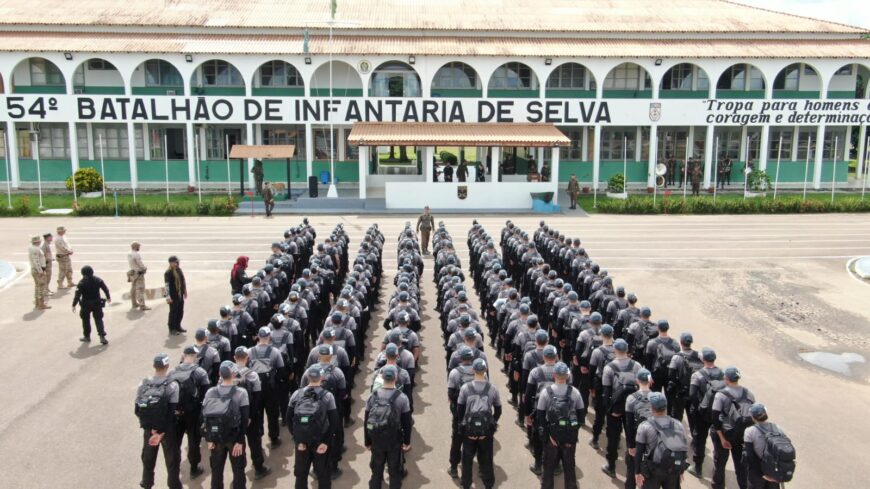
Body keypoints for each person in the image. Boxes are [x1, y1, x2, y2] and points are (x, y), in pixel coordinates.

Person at [287, 366, 340, 489]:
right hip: (320, 440)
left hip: (302, 441)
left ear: (307, 378)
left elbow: (288, 418)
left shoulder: (296, 394)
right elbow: (334, 421)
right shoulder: (328, 396)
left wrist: (297, 438)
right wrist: (326, 442)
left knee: (301, 475)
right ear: (321, 378)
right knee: (323, 475)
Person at [135, 353, 182, 489]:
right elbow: (172, 411)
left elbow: (137, 409)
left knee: (148, 458)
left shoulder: (144, 383)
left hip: (149, 429)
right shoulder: (172, 385)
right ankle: (174, 486)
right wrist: (161, 431)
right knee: (172, 460)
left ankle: (147, 483)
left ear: (154, 366)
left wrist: (151, 428)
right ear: (167, 366)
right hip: (167, 429)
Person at [535, 362, 584, 489]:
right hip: (569, 439)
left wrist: (547, 436)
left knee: (548, 468)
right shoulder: (575, 393)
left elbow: (540, 417)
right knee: (569, 469)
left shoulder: (546, 393)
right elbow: (581, 418)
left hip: (552, 438)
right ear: (567, 375)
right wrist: (571, 433)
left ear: (554, 375)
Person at [202, 361, 250, 489]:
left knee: (216, 472)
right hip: (234, 438)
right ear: (234, 374)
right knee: (238, 472)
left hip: (216, 438)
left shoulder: (210, 392)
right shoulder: (241, 392)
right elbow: (245, 419)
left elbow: (204, 416)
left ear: (219, 374)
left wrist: (208, 438)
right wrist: (240, 441)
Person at [364, 365, 412, 489]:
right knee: (394, 472)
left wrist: (367, 441)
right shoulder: (402, 398)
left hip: (376, 438)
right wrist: (406, 441)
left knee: (376, 471)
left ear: (382, 377)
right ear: (396, 378)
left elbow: (367, 420)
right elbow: (407, 422)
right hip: (394, 440)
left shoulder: (372, 396)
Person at [457, 359, 501, 489]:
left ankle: (466, 483)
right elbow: (498, 410)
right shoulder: (492, 388)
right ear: (485, 370)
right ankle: (488, 484)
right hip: (485, 431)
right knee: (487, 458)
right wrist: (491, 425)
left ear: (473, 371)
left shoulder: (465, 388)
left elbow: (460, 410)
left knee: (467, 459)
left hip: (469, 431)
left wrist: (464, 426)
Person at [169, 346, 210, 479]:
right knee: (193, 440)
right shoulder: (200, 372)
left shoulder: (172, 373)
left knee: (176, 442)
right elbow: (206, 395)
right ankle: (194, 467)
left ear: (183, 355)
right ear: (194, 356)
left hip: (176, 413)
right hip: (193, 412)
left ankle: (174, 469)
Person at [711, 367, 755, 489]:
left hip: (724, 434)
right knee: (741, 467)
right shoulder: (749, 393)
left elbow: (715, 418)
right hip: (741, 436)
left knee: (719, 465)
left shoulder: (721, 395)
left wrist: (721, 438)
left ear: (726, 378)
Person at [634, 392, 690, 489]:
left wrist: (637, 472)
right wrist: (680, 470)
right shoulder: (678, 424)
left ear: (651, 407)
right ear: (666, 407)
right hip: (673, 469)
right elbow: (683, 448)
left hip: (652, 471)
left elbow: (639, 452)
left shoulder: (644, 426)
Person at [234, 347, 272, 480]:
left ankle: (238, 473)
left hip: (234, 416)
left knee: (238, 444)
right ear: (247, 358)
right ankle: (259, 468)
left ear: (234, 358)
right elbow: (257, 397)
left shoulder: (227, 375)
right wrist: (250, 416)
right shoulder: (252, 375)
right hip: (250, 415)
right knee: (255, 442)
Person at [743, 404, 795, 488]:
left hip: (757, 474)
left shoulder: (749, 431)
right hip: (775, 471)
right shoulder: (778, 428)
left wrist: (762, 475)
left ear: (753, 417)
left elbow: (751, 456)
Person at [624, 369, 655, 489]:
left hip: (637, 440)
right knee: (648, 475)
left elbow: (629, 424)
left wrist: (631, 446)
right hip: (652, 442)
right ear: (650, 381)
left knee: (631, 473)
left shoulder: (631, 399)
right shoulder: (658, 398)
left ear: (637, 381)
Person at [72, 265, 111, 344]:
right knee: (98, 319)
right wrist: (108, 297)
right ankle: (102, 336)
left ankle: (87, 336)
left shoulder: (81, 283)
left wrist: (74, 305)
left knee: (85, 320)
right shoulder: (98, 280)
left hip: (86, 304)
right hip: (97, 303)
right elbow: (105, 288)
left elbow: (77, 295)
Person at [164, 256, 188, 335]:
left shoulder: (179, 270)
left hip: (180, 295)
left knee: (180, 311)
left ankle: (178, 326)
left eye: (177, 262)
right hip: (173, 296)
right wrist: (168, 297)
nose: (177, 263)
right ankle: (172, 328)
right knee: (173, 312)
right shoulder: (168, 273)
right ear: (171, 263)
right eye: (175, 262)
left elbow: (182, 281)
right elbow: (166, 285)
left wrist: (184, 291)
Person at [29, 235, 50, 310]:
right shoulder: (35, 249)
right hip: (38, 270)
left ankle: (38, 303)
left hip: (37, 270)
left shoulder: (34, 248)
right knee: (41, 287)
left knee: (38, 286)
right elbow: (36, 261)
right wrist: (40, 271)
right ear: (37, 242)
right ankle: (41, 303)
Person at [128, 242, 151, 311]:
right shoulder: (136, 254)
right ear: (135, 247)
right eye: (138, 246)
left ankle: (134, 303)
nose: (139, 248)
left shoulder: (129, 254)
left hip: (132, 273)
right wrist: (144, 268)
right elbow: (140, 264)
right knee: (140, 289)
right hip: (138, 273)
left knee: (133, 289)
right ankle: (142, 305)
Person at [40, 232, 55, 297]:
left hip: (48, 262)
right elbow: (42, 255)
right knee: (46, 277)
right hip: (46, 264)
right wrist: (48, 259)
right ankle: (45, 291)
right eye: (51, 237)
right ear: (48, 237)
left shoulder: (46, 244)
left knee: (48, 277)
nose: (52, 238)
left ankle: (47, 289)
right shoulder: (44, 245)